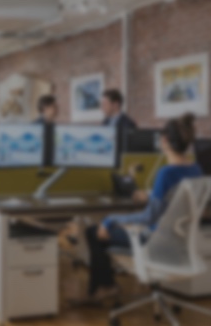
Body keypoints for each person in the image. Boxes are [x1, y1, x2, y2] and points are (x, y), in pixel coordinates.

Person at [84, 113, 202, 301]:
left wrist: (110, 219)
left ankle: (106, 287)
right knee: (105, 227)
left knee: (93, 231)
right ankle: (106, 286)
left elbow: (149, 217)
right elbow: (177, 196)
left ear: (164, 141)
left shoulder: (166, 173)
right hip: (176, 244)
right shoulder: (196, 169)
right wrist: (150, 195)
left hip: (152, 241)